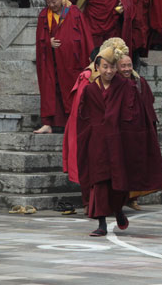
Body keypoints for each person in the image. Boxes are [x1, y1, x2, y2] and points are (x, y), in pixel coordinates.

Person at [77, 41, 162, 236]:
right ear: (97, 68)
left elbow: (134, 116)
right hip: (98, 143)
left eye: (112, 67)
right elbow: (83, 119)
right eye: (104, 67)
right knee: (99, 182)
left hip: (119, 142)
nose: (108, 71)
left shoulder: (127, 87)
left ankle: (118, 210)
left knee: (118, 183)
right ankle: (101, 224)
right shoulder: (90, 90)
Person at [34, 0, 93, 134]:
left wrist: (91, 60)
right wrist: (49, 42)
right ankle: (48, 124)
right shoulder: (44, 15)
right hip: (51, 62)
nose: (51, 6)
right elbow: (39, 41)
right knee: (50, 91)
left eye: (53, 2)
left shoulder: (74, 13)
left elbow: (86, 37)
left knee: (71, 92)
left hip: (72, 62)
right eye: (48, 3)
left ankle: (73, 123)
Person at [116, 54, 162, 210]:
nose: (126, 69)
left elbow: (148, 102)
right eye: (123, 66)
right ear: (117, 67)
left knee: (138, 165)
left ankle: (133, 199)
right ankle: (119, 200)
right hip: (121, 131)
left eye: (129, 65)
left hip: (140, 129)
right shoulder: (114, 83)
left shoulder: (139, 82)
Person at [62, 46, 99, 209]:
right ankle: (89, 203)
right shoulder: (87, 77)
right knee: (85, 163)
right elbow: (79, 107)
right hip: (84, 126)